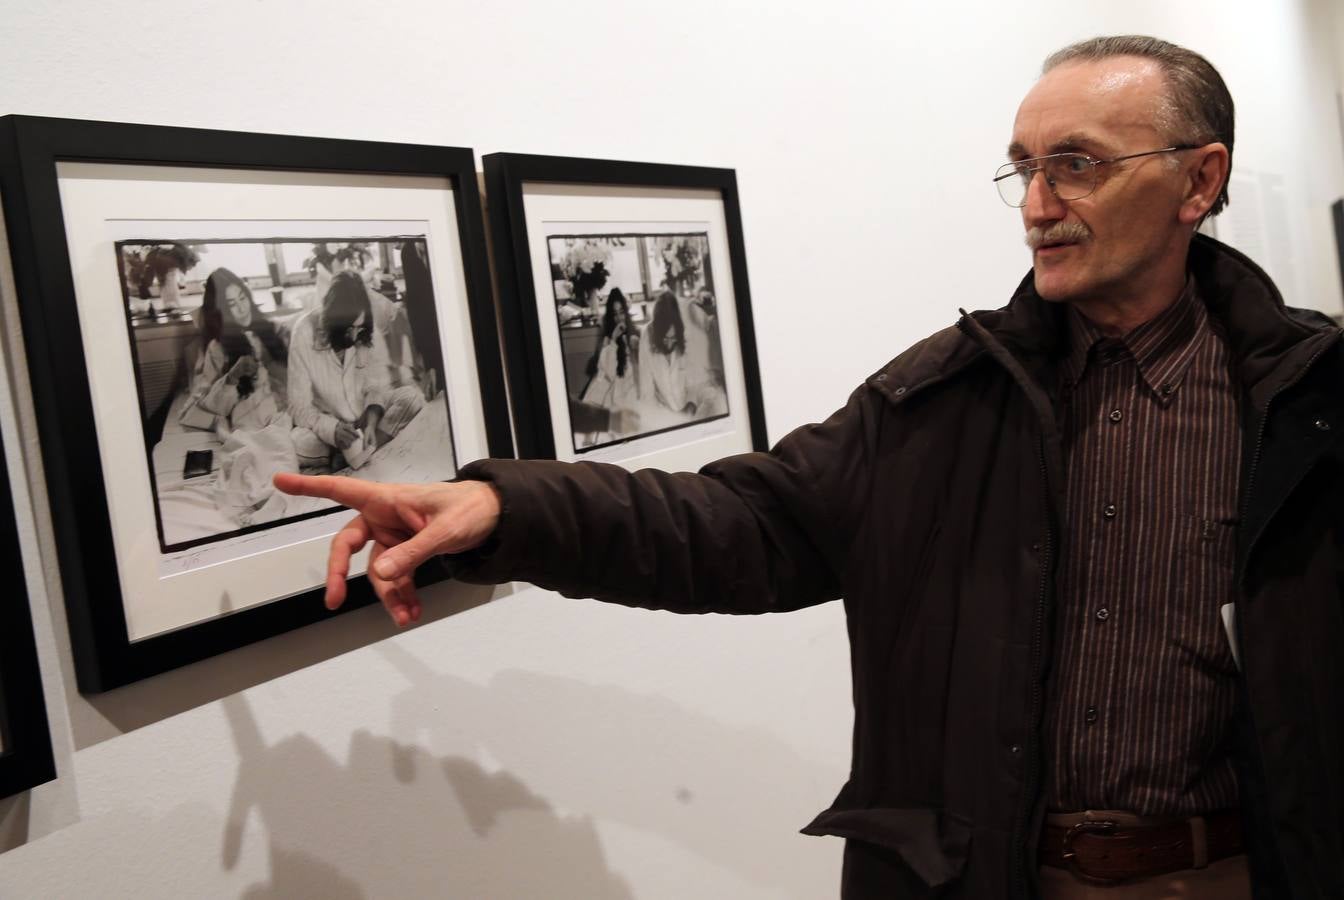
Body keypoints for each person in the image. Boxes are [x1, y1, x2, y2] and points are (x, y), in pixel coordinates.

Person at [275, 36, 1344, 899]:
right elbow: (741, 526)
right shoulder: (941, 398)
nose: (1036, 204)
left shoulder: (1307, 406)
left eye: (1079, 163)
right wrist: (502, 507)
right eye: (1024, 167)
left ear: (1199, 181)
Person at [287, 270, 425, 471]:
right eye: (347, 329)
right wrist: (332, 430)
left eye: (358, 329)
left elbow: (375, 386)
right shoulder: (303, 332)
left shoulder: (363, 329)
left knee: (412, 398)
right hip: (327, 423)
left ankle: (359, 451)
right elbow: (297, 407)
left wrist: (370, 421)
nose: (353, 336)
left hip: (362, 419)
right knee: (298, 443)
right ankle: (354, 450)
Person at [179, 267, 289, 434]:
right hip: (254, 422)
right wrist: (232, 377)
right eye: (231, 304)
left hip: (289, 413)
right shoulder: (217, 348)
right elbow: (209, 404)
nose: (242, 309)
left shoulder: (276, 330)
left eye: (242, 298)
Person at [637, 289, 726, 419]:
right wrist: (671, 419)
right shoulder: (646, 338)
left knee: (717, 401)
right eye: (664, 338)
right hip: (664, 413)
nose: (668, 344)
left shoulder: (683, 333)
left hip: (690, 406)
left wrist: (691, 403)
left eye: (673, 338)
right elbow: (647, 395)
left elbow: (695, 379)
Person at [578, 288, 640, 426]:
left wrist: (635, 349)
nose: (619, 318)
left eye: (622, 312)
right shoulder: (608, 340)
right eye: (615, 314)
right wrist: (613, 341)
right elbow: (608, 374)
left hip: (632, 386)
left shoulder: (635, 333)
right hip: (612, 386)